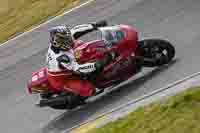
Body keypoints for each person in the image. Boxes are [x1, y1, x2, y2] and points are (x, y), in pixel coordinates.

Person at [41, 21, 116, 108]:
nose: (69, 40)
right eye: (66, 40)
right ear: (57, 42)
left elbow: (77, 30)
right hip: (63, 79)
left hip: (66, 66)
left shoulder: (62, 40)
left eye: (68, 38)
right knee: (88, 90)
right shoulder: (62, 57)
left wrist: (94, 25)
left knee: (81, 44)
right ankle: (59, 100)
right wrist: (96, 65)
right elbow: (78, 69)